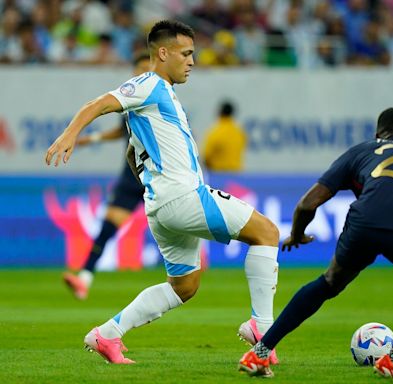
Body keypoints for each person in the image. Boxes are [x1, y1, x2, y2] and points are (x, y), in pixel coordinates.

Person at [45, 20, 280, 365]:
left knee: (184, 286)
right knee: (267, 233)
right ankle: (262, 327)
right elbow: (97, 104)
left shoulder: (160, 96)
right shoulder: (149, 84)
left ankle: (106, 335)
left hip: (161, 207)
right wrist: (70, 134)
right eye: (186, 53)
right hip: (184, 197)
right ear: (163, 52)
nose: (192, 61)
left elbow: (132, 151)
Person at [238, 107, 393, 379]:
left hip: (362, 225)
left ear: (378, 134)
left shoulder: (360, 151)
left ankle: (259, 354)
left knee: (329, 282)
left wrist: (297, 234)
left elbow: (308, 203)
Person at [63, 52, 150, 300]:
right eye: (139, 71)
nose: (142, 76)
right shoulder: (130, 102)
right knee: (107, 227)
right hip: (132, 177)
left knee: (177, 228)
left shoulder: (162, 101)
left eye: (147, 70)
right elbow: (121, 131)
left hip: (158, 178)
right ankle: (84, 279)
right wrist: (94, 138)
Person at [201, 100, 247, 172]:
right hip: (236, 176)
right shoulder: (239, 132)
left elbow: (206, 156)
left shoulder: (215, 132)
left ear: (220, 113)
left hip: (218, 175)